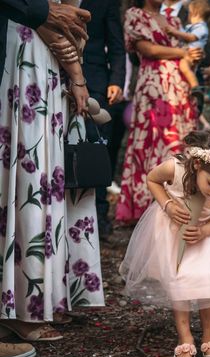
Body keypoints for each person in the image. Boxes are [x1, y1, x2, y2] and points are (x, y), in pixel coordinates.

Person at [1, 2, 104, 357]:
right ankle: (24, 306)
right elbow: (50, 22)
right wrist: (78, 76)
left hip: (40, 63)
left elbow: (66, 25)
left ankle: (33, 299)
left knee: (36, 183)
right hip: (26, 58)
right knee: (30, 178)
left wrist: (75, 73)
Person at [119, 126, 210, 357]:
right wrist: (168, 204)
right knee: (179, 282)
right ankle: (185, 338)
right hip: (173, 233)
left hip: (208, 234)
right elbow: (152, 180)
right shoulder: (176, 167)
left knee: (208, 282)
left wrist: (204, 231)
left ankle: (209, 337)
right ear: (197, 166)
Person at [115, 0, 200, 223]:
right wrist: (183, 52)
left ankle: (180, 201)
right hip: (154, 86)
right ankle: (147, 204)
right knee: (153, 140)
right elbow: (148, 49)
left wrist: (191, 57)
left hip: (179, 86)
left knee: (179, 140)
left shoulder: (174, 20)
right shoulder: (135, 15)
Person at [81, 0, 126, 240]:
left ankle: (99, 216)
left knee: (96, 150)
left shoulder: (105, 2)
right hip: (54, 78)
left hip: (96, 83)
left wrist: (117, 80)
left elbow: (117, 45)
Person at [0, 0, 90, 85]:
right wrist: (77, 75)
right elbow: (41, 16)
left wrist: (73, 21)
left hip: (55, 50)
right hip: (27, 35)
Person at [164, 0, 210, 93]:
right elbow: (183, 33)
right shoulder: (192, 27)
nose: (188, 16)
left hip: (192, 55)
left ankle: (195, 86)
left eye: (190, 13)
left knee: (183, 66)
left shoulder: (201, 28)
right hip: (185, 54)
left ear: (195, 14)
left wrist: (175, 32)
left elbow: (190, 37)